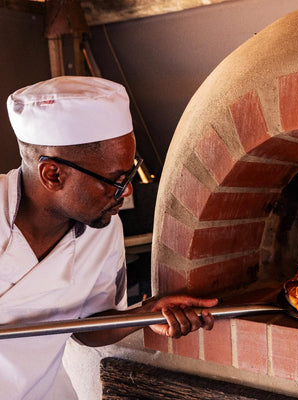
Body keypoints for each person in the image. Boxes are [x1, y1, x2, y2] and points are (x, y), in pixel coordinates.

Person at [1, 76, 217, 399]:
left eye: (130, 173)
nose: (127, 190)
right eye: (116, 179)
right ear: (53, 174)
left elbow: (87, 327)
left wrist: (146, 313)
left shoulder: (101, 228)